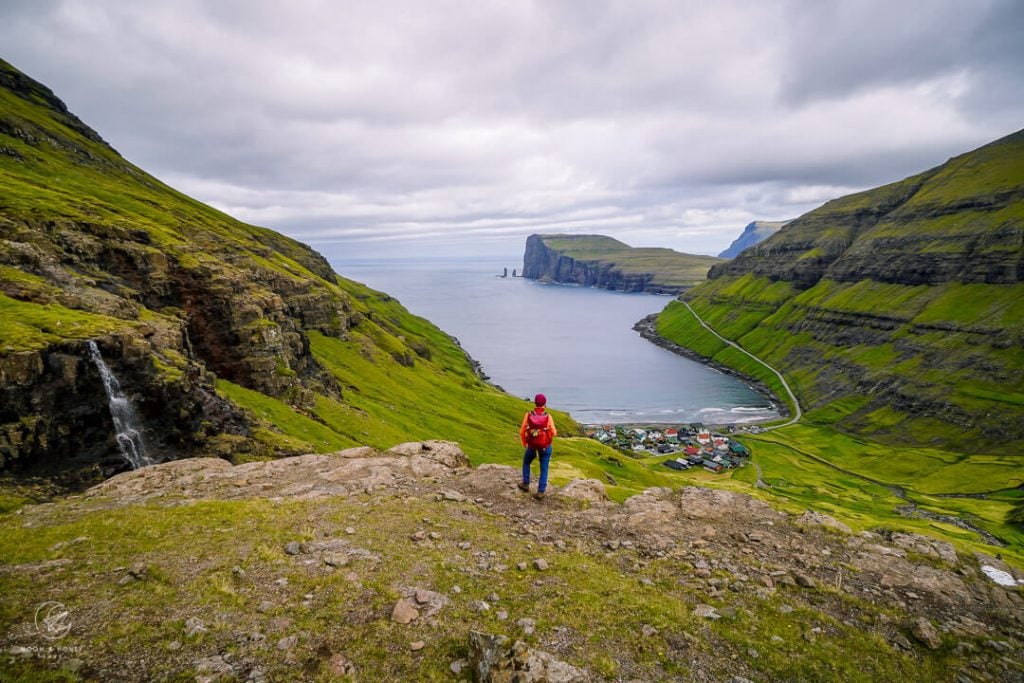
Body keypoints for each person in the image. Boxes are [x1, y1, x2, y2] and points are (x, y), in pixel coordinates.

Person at [518, 393, 557, 499]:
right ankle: (540, 492)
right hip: (545, 445)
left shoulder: (529, 415)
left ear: (535, 403)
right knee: (544, 468)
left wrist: (525, 443)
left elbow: (522, 431)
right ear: (545, 404)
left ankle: (525, 483)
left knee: (526, 462)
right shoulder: (548, 417)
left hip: (531, 445)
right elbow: (554, 432)